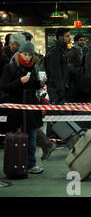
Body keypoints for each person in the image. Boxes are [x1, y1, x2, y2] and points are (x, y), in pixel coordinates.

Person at [0, 42, 47, 174]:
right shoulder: (9, 68)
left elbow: (32, 87)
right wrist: (20, 81)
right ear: (19, 54)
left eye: (29, 55)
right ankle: (15, 163)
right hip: (16, 107)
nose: (27, 57)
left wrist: (39, 83)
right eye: (25, 54)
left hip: (31, 107)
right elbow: (4, 86)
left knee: (32, 136)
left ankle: (31, 164)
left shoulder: (33, 67)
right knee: (14, 136)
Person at [45, 28, 70, 104]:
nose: (69, 38)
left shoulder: (62, 50)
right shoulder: (55, 51)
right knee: (57, 113)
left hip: (60, 88)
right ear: (60, 38)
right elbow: (55, 72)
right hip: (56, 90)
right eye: (67, 36)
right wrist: (61, 89)